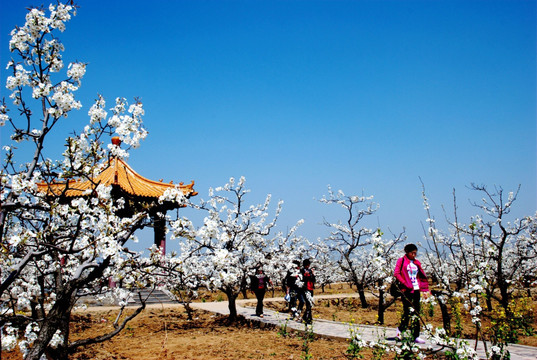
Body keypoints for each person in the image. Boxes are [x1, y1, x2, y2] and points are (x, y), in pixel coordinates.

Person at [393, 243, 430, 344]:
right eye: (412, 253)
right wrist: (405, 283)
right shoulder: (402, 261)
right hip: (407, 290)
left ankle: (415, 335)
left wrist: (424, 290)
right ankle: (400, 330)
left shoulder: (416, 263)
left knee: (416, 313)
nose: (414, 255)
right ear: (407, 252)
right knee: (407, 311)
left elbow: (421, 276)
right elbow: (396, 273)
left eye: (415, 253)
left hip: (416, 289)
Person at [298, 259, 315, 324]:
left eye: (308, 265)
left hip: (310, 289)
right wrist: (305, 275)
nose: (308, 266)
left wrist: (312, 274)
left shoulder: (310, 271)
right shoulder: (301, 271)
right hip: (305, 289)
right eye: (306, 265)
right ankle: (308, 319)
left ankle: (305, 318)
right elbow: (301, 279)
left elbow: (313, 280)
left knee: (310, 304)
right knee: (308, 303)